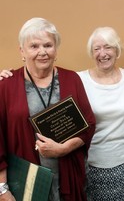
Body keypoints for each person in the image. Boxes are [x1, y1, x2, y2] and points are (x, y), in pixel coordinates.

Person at [0, 17, 96, 201]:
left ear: (56, 49)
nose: (42, 52)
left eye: (48, 45)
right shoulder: (6, 86)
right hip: (24, 183)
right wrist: (2, 189)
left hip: (67, 177)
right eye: (34, 46)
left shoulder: (72, 79)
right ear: (22, 51)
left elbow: (89, 124)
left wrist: (64, 148)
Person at [78, 27, 124, 201]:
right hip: (88, 163)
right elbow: (46, 86)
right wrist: (10, 77)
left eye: (108, 47)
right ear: (91, 53)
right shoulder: (79, 80)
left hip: (121, 163)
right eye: (97, 48)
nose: (103, 53)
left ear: (117, 50)